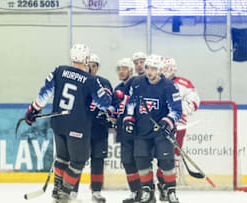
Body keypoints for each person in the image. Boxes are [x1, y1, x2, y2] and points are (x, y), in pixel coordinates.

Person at [24, 44, 112, 203]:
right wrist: (105, 94)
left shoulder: (59, 71)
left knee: (62, 158)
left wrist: (33, 110)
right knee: (79, 160)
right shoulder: (91, 80)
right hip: (78, 125)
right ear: (86, 59)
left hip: (59, 123)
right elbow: (104, 103)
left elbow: (45, 93)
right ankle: (65, 192)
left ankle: (57, 190)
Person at [123, 54, 182, 203]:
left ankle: (170, 191)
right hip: (142, 131)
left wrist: (167, 121)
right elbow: (131, 104)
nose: (149, 71)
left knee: (166, 161)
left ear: (160, 70)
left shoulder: (169, 86)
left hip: (161, 132)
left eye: (153, 68)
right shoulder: (137, 83)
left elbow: (176, 110)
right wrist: (129, 119)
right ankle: (148, 191)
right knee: (141, 159)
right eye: (148, 68)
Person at [71, 53, 113, 203]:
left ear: (97, 67)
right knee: (77, 160)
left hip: (99, 129)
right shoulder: (78, 81)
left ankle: (96, 191)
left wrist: (109, 114)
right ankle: (72, 191)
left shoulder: (104, 82)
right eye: (89, 65)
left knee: (98, 160)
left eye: (94, 66)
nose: (91, 68)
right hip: (81, 128)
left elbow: (110, 104)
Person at [158, 57, 200, 188]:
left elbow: (194, 100)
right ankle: (160, 180)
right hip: (159, 124)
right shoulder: (154, 83)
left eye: (165, 69)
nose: (163, 72)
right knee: (159, 155)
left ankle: (168, 182)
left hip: (178, 124)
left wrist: (180, 109)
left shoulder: (183, 83)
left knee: (172, 155)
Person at [113, 58, 142, 203]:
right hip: (123, 131)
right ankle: (135, 191)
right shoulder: (117, 87)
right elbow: (116, 109)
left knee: (140, 161)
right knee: (127, 161)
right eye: (118, 68)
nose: (121, 71)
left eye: (124, 68)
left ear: (131, 70)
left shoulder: (137, 82)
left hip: (137, 131)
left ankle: (145, 191)